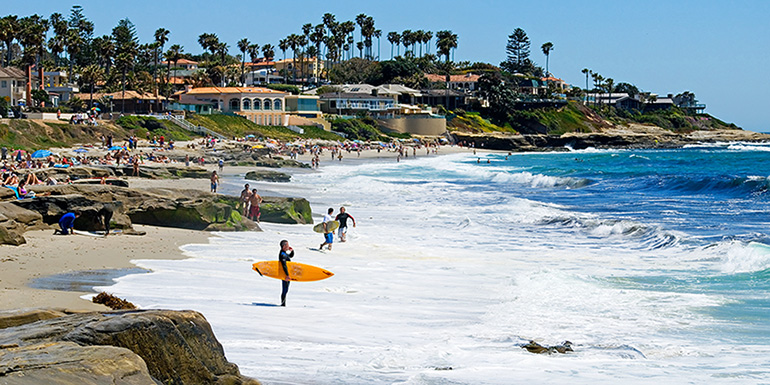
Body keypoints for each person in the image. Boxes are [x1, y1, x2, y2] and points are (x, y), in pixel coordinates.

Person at [278, 239, 294, 306]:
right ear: (284, 246)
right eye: (287, 245)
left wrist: (292, 251)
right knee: (285, 290)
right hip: (285, 274)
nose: (288, 246)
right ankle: (283, 304)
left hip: (286, 274)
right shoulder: (282, 254)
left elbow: (290, 256)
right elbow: (284, 265)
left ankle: (283, 303)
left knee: (286, 290)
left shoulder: (284, 253)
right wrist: (287, 275)